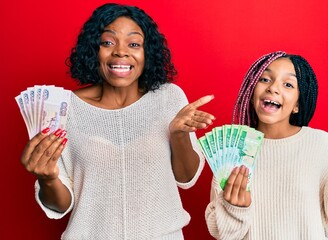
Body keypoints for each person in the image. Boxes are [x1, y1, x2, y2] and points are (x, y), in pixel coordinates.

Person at [20, 3, 215, 239]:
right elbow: (60, 206)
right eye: (108, 42)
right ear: (94, 50)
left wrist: (178, 134)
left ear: (147, 53)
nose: (121, 52)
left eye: (134, 44)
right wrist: (48, 178)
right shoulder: (63, 108)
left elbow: (186, 178)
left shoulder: (169, 97)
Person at [205, 51, 328, 239]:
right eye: (265, 79)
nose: (273, 88)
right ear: (252, 91)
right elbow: (221, 233)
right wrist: (235, 208)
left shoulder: (319, 144)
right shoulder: (230, 150)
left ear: (297, 104)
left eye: (288, 84)